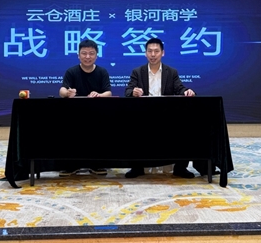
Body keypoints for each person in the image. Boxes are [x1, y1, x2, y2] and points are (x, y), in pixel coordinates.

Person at [124, 37, 196, 179]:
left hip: (166, 114)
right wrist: (133, 92)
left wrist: (187, 91)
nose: (153, 54)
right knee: (132, 127)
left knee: (185, 128)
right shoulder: (137, 72)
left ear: (162, 53)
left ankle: (180, 168)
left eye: (156, 51)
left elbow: (179, 88)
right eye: (150, 51)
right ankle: (137, 167)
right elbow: (128, 90)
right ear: (145, 53)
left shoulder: (171, 72)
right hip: (144, 115)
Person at [58, 39, 111, 176]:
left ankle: (97, 164)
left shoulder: (102, 72)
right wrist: (67, 93)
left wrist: (99, 95)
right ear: (78, 55)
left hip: (97, 114)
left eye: (91, 53)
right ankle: (71, 165)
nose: (88, 57)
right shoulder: (71, 71)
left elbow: (108, 92)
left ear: (96, 55)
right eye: (84, 53)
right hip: (75, 114)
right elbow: (62, 90)